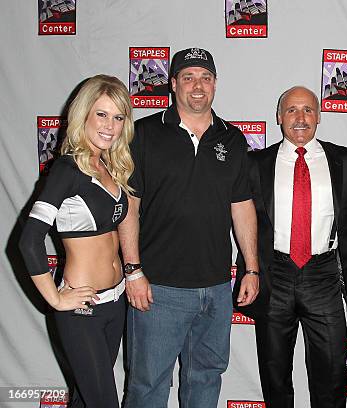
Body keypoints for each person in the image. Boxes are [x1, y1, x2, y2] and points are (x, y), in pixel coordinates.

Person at [120, 48, 259, 408]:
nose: (198, 86)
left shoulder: (232, 138)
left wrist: (252, 268)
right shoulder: (145, 133)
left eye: (205, 77)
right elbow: (129, 207)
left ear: (215, 83)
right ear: (173, 83)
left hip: (215, 288)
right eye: (188, 77)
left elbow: (241, 206)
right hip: (159, 288)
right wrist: (133, 270)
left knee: (206, 379)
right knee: (148, 386)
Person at [234, 86, 347, 408]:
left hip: (324, 274)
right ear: (279, 117)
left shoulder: (345, 160)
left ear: (318, 116)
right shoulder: (255, 163)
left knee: (331, 376)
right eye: (291, 110)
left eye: (307, 110)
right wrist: (251, 270)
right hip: (275, 274)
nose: (300, 118)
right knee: (275, 376)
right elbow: (243, 217)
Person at [19, 74, 134, 408]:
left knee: (85, 399)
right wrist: (55, 300)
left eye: (118, 117)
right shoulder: (67, 170)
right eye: (101, 114)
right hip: (83, 309)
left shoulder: (110, 165)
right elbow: (28, 242)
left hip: (116, 303)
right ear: (83, 114)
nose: (110, 126)